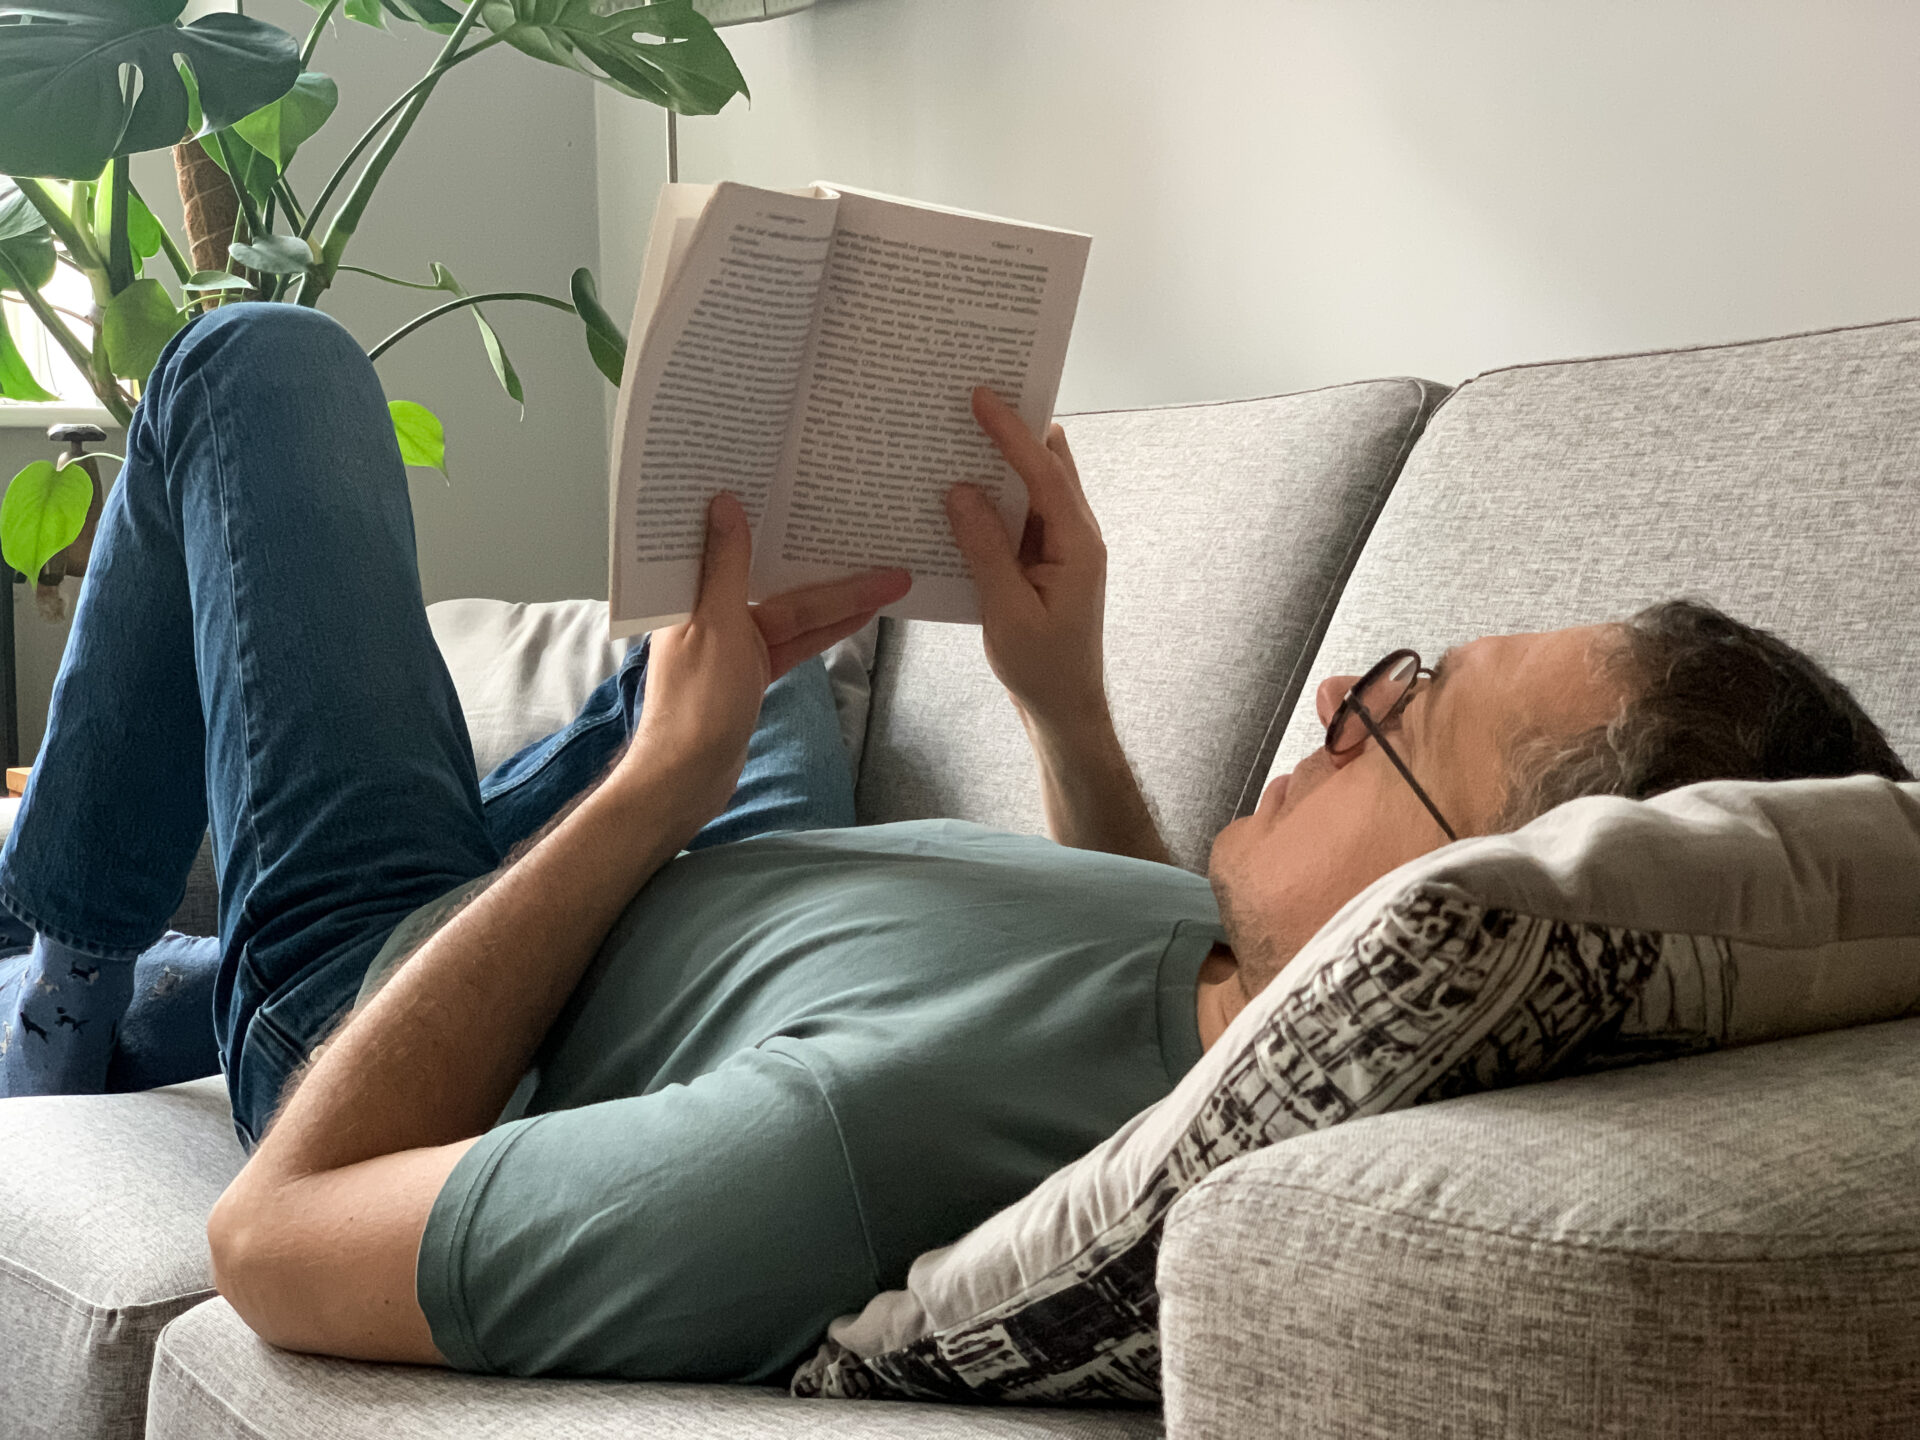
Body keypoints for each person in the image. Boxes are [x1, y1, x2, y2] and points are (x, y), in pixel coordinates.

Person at [1, 305, 1907, 1383]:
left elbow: (270, 1243)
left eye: (1400, 715)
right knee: (797, 657)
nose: (1340, 696)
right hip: (713, 896)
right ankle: (150, 975)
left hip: (410, 982)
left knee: (263, 371)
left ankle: (75, 978)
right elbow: (1163, 941)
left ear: (1435, 907)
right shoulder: (1232, 997)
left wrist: (659, 788)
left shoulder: (859, 1146)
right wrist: (1064, 700)